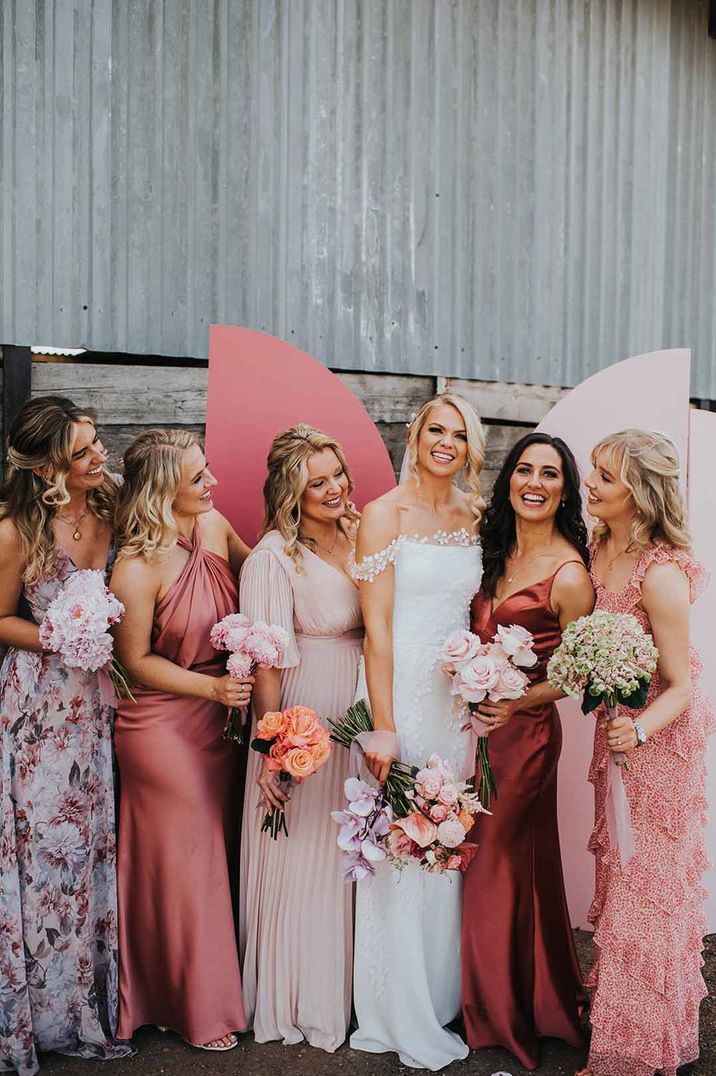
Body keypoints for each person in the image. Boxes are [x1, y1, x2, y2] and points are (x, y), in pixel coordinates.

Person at [349, 393, 485, 1071]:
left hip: (454, 703)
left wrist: (489, 682)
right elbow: (376, 631)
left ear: (469, 447)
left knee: (447, 846)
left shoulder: (474, 514)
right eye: (437, 429)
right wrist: (382, 728)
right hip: (398, 697)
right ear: (415, 432)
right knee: (401, 851)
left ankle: (440, 994)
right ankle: (396, 1008)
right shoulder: (382, 515)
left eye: (459, 435)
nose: (447, 443)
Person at [576, 428, 714, 1076]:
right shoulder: (601, 547)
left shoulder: (660, 576)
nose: (591, 483)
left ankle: (631, 1055)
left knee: (646, 897)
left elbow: (684, 685)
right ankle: (624, 1031)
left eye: (604, 475)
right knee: (621, 881)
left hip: (659, 749)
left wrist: (639, 730)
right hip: (617, 738)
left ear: (638, 491)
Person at [0, 396, 131, 1075]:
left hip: (94, 707)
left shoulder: (111, 506)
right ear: (49, 464)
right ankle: (38, 1016)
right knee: (45, 856)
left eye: (95, 443)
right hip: (39, 712)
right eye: (81, 452)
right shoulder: (15, 529)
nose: (97, 456)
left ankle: (84, 1005)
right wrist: (58, 635)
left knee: (86, 854)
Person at [110, 429, 252, 1052]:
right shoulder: (135, 566)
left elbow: (264, 570)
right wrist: (214, 692)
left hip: (221, 720)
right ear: (165, 488)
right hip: (160, 722)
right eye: (199, 477)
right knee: (188, 859)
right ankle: (197, 1009)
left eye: (209, 470)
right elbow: (134, 661)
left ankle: (173, 991)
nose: (213, 484)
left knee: (209, 853)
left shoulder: (215, 526)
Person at [461, 432, 595, 1070]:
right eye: (524, 470)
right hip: (476, 730)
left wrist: (515, 703)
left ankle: (500, 1020)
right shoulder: (495, 550)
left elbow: (579, 671)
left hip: (527, 735)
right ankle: (530, 999)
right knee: (511, 867)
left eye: (549, 473)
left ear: (564, 489)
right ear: (509, 480)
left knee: (496, 864)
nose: (534, 482)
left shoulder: (570, 574)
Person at [239, 424, 362, 1052]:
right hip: (305, 711)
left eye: (337, 472)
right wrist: (273, 751)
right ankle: (301, 996)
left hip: (361, 713)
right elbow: (266, 665)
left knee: (349, 851)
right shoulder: (271, 559)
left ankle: (355, 991)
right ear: (291, 492)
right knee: (306, 853)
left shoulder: (362, 533)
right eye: (318, 482)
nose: (335, 488)